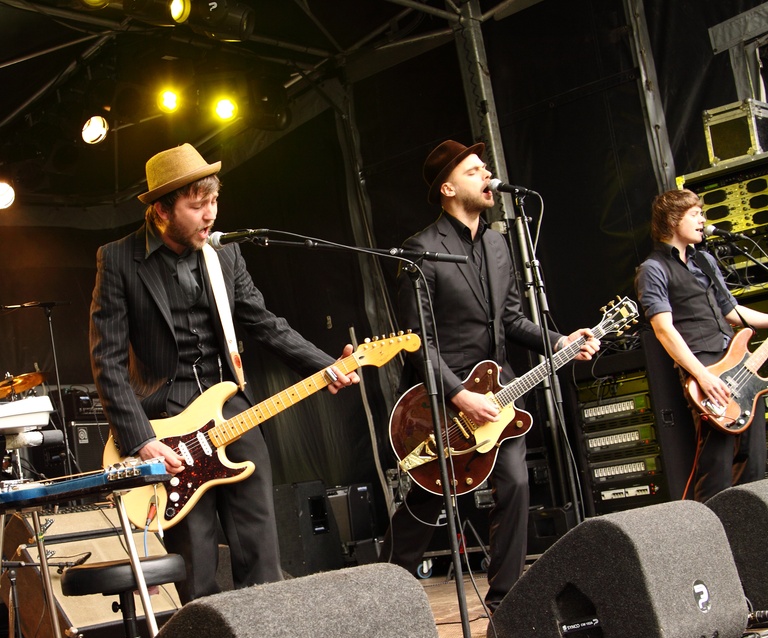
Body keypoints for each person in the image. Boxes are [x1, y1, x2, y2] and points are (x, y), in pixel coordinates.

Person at [90, 143, 358, 602]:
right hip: (165, 423)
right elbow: (107, 361)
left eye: (213, 201)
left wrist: (327, 365)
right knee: (195, 562)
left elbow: (264, 324)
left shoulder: (225, 256)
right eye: (196, 206)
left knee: (261, 546)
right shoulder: (118, 260)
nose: (210, 214)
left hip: (231, 408)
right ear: (160, 210)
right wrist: (140, 440)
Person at [379, 140, 598, 611]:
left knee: (516, 484)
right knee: (428, 500)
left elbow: (513, 319)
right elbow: (418, 341)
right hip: (439, 401)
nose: (488, 176)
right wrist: (459, 396)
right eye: (475, 170)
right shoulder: (422, 250)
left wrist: (560, 341)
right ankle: (379, 593)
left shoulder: (499, 243)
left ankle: (506, 601)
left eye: (486, 168)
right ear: (447, 187)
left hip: (500, 395)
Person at [635, 188, 768, 502]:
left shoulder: (705, 259)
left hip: (737, 364)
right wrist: (702, 375)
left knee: (755, 454)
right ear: (672, 220)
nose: (703, 220)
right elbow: (664, 330)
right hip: (703, 365)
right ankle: (712, 536)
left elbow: (733, 313)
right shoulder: (652, 269)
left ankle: (751, 529)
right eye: (695, 214)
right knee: (716, 460)